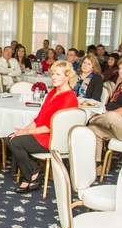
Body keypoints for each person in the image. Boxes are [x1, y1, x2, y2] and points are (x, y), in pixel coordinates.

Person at [5, 60, 79, 193]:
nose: (53, 77)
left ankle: (30, 177)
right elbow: (39, 118)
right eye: (52, 74)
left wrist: (27, 132)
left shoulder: (69, 98)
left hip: (53, 138)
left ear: (67, 77)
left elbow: (52, 127)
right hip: (43, 133)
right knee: (10, 137)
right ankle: (34, 172)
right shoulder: (53, 93)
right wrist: (23, 130)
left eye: (58, 74)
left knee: (15, 142)